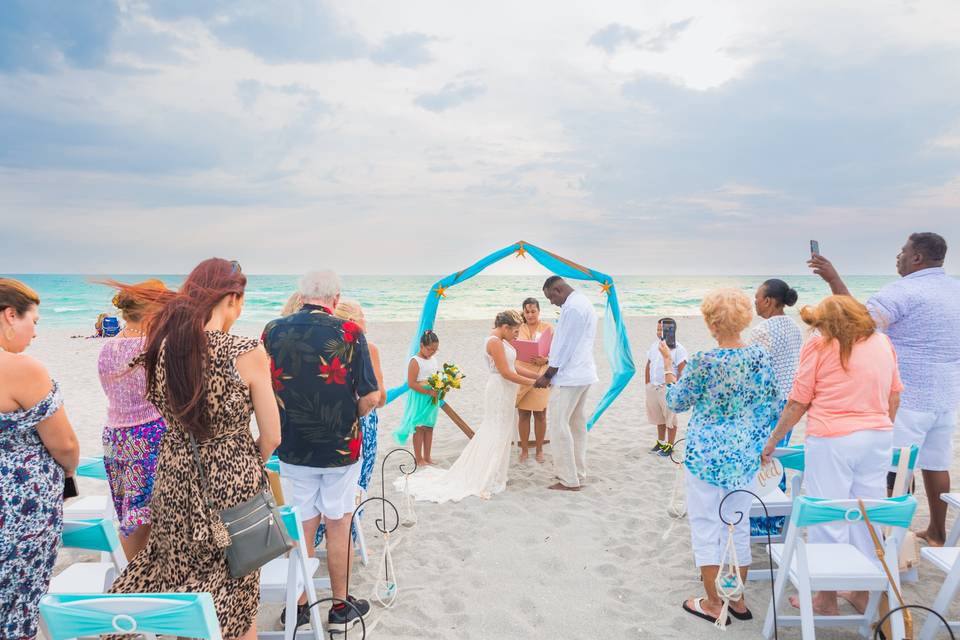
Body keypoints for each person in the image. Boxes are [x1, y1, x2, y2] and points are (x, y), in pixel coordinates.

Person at [106, 259, 282, 640]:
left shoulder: (164, 348)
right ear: (232, 299)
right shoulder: (246, 350)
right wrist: (246, 461)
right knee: (238, 586)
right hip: (233, 481)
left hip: (173, 477)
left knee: (180, 578)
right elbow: (272, 436)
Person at [809, 232, 960, 546]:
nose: (898, 256)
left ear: (917, 257)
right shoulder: (955, 289)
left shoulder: (902, 291)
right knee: (936, 464)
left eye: (902, 251)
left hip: (907, 396)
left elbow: (860, 323)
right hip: (946, 395)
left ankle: (888, 542)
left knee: (894, 469)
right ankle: (937, 531)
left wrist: (833, 279)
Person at [762, 295, 902, 615]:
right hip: (878, 437)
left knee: (828, 515)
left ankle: (825, 598)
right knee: (868, 515)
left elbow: (799, 400)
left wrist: (773, 440)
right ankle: (861, 592)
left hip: (832, 439)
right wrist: (881, 427)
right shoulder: (882, 342)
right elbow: (894, 395)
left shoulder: (820, 343)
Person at [262, 270, 379, 633]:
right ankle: (340, 607)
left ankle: (298, 606)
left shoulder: (272, 330)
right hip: (340, 448)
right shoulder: (350, 333)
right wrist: (349, 415)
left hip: (293, 446)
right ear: (335, 297)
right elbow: (370, 395)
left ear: (301, 294)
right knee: (339, 522)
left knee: (302, 523)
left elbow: (264, 387)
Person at [664, 288, 778, 627]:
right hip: (743, 453)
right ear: (743, 318)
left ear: (712, 323)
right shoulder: (759, 356)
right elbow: (771, 404)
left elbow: (676, 402)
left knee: (705, 526)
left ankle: (715, 603)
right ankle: (737, 599)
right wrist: (758, 442)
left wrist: (670, 372)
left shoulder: (703, 361)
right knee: (737, 525)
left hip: (706, 455)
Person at [0, 278, 80, 640]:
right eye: (33, 322)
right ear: (10, 315)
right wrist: (69, 469)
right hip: (19, 512)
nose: (34, 334)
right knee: (16, 607)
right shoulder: (21, 369)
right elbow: (63, 443)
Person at [402, 311, 539, 502]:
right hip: (499, 389)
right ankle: (487, 473)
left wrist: (536, 376)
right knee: (496, 430)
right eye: (515, 331)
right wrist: (533, 383)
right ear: (505, 327)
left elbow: (514, 365)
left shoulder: (502, 340)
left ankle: (496, 472)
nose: (517, 335)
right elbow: (506, 372)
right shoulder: (494, 342)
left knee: (503, 429)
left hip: (506, 390)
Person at [98, 280, 169, 560]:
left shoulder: (108, 348)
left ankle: (134, 575)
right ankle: (147, 582)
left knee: (130, 514)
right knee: (151, 517)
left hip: (115, 435)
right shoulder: (154, 346)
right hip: (149, 433)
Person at [315, 300, 386, 547]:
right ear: (355, 320)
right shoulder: (370, 348)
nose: (366, 319)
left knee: (322, 481)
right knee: (357, 481)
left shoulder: (326, 346)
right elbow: (380, 396)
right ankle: (348, 537)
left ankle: (314, 537)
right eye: (363, 315)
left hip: (328, 419)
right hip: (362, 420)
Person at [748, 279, 804, 539]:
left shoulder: (762, 330)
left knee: (762, 460)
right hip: (789, 402)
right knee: (777, 458)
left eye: (757, 297)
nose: (755, 301)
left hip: (767, 403)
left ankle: (762, 522)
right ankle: (778, 518)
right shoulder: (794, 327)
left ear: (769, 300)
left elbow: (755, 372)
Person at [534, 276, 598, 491]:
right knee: (576, 425)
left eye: (551, 297)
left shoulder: (573, 309)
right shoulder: (583, 302)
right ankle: (578, 474)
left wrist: (548, 375)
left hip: (570, 377)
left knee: (559, 425)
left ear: (558, 289)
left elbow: (565, 346)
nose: (552, 302)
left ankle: (568, 479)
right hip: (584, 373)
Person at [395, 331, 442, 465]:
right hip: (420, 396)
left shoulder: (433, 359)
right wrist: (428, 392)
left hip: (432, 398)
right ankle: (419, 458)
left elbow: (435, 376)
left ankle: (427, 457)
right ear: (421, 345)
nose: (432, 352)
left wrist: (442, 385)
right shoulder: (415, 361)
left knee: (429, 427)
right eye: (430, 349)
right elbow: (411, 383)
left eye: (435, 349)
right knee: (419, 427)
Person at [515, 297, 553, 464]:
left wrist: (545, 360)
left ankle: (539, 450)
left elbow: (557, 351)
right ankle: (524, 450)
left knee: (540, 414)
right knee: (523, 414)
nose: (530, 315)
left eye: (533, 311)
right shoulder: (518, 328)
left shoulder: (548, 328)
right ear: (523, 312)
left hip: (541, 374)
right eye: (527, 311)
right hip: (522, 373)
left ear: (539, 311)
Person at [645, 318, 688, 457]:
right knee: (659, 418)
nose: (658, 332)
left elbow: (683, 370)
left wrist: (676, 388)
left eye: (661, 329)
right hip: (654, 387)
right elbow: (649, 364)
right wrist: (647, 383)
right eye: (657, 329)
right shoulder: (654, 346)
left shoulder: (678, 349)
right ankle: (661, 442)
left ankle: (670, 445)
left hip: (667, 388)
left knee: (670, 418)